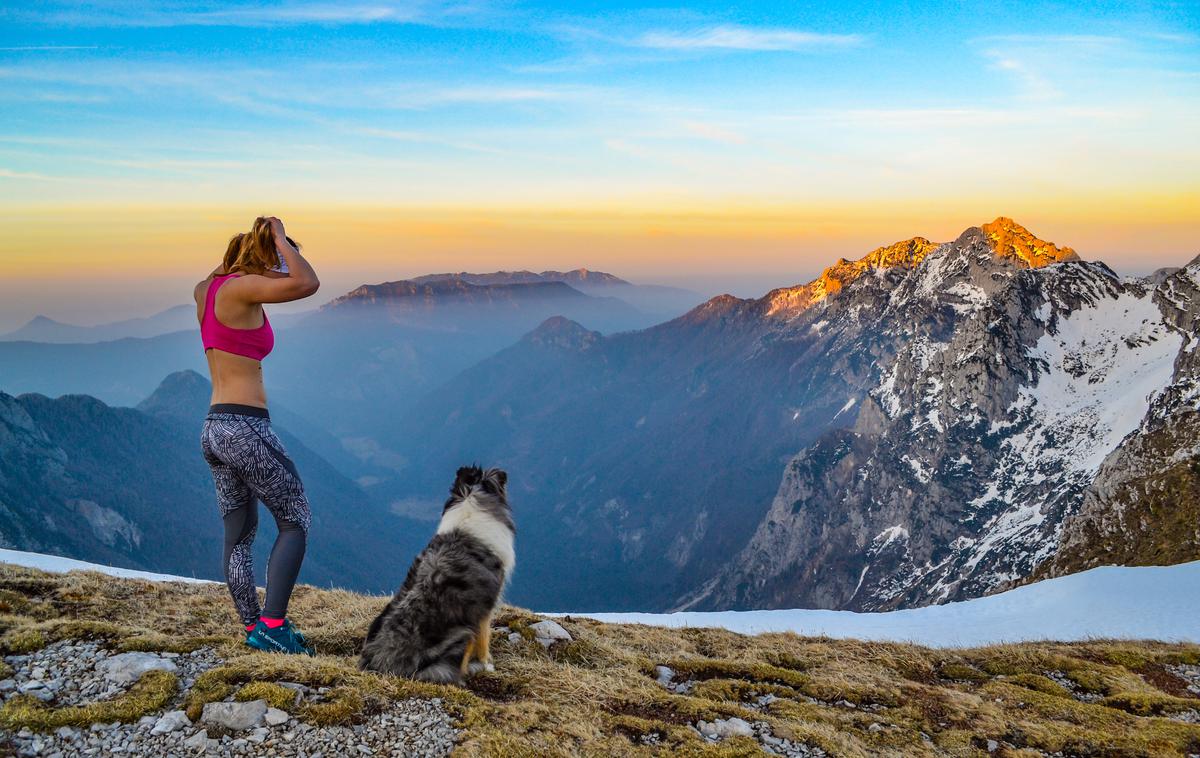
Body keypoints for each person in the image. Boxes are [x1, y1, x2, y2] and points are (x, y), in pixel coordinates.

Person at [195, 216, 320, 655]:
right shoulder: (241, 288)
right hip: (246, 428)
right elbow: (306, 282)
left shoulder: (208, 290)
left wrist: (253, 247)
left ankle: (255, 628)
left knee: (239, 533)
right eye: (274, 260)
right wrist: (280, 239)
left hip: (214, 428)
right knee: (296, 519)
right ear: (260, 259)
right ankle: (273, 623)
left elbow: (260, 274)